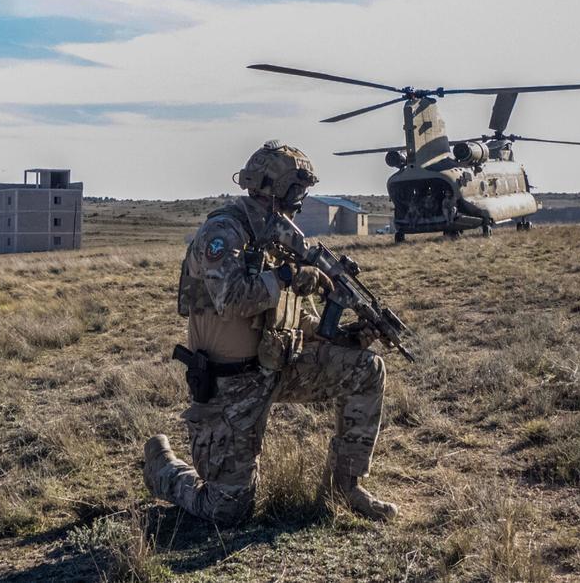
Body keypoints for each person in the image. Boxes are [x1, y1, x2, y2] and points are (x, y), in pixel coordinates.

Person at [143, 140, 398, 525]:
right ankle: (163, 469)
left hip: (280, 365)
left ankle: (345, 486)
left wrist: (347, 335)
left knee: (366, 369)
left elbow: (294, 318)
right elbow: (231, 299)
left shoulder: (280, 240)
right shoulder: (224, 233)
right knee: (226, 511)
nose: (301, 199)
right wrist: (287, 276)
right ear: (274, 188)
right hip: (231, 385)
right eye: (296, 190)